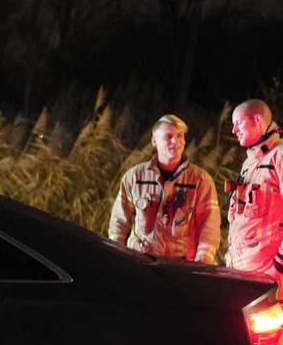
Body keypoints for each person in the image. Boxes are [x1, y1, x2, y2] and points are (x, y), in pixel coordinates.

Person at [108, 114, 220, 264]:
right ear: (154, 141)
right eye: (168, 136)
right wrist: (116, 256)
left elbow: (209, 225)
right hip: (139, 263)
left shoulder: (200, 181)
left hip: (179, 268)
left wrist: (203, 260)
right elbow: (119, 222)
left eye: (180, 136)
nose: (176, 141)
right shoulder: (135, 177)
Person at [226, 99, 283, 279]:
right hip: (242, 270)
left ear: (257, 120)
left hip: (268, 276)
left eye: (238, 123)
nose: (234, 130)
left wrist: (278, 267)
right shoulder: (250, 162)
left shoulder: (279, 156)